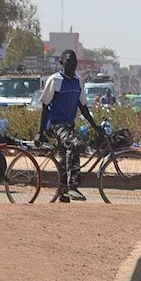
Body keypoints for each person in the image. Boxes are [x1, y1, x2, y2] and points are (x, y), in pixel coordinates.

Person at [36, 50, 99, 202]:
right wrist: (40, 132)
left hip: (69, 124)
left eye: (74, 61)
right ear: (61, 63)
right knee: (73, 145)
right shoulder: (55, 80)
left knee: (65, 158)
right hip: (56, 123)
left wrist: (95, 126)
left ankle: (62, 193)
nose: (72, 64)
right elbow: (45, 106)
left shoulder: (78, 81)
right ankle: (72, 186)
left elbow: (83, 106)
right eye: (69, 61)